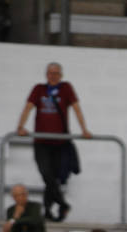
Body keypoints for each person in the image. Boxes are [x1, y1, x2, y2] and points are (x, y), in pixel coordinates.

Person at [15, 61, 90, 222]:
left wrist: (84, 129)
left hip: (60, 142)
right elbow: (28, 108)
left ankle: (48, 210)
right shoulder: (39, 89)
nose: (53, 76)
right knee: (45, 173)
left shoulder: (66, 88)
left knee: (53, 178)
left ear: (61, 75)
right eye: (50, 73)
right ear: (46, 75)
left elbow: (77, 109)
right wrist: (20, 126)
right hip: (41, 141)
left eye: (56, 73)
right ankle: (62, 204)